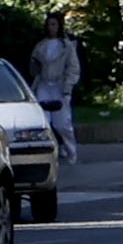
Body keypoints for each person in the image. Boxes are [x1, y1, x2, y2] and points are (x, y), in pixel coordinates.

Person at [30, 11, 84, 162]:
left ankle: (70, 150)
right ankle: (48, 151)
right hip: (44, 84)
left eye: (54, 24)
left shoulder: (66, 46)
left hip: (60, 85)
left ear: (59, 26)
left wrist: (68, 86)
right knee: (44, 120)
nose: (50, 28)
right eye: (48, 25)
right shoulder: (41, 45)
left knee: (62, 123)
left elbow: (73, 68)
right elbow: (34, 65)